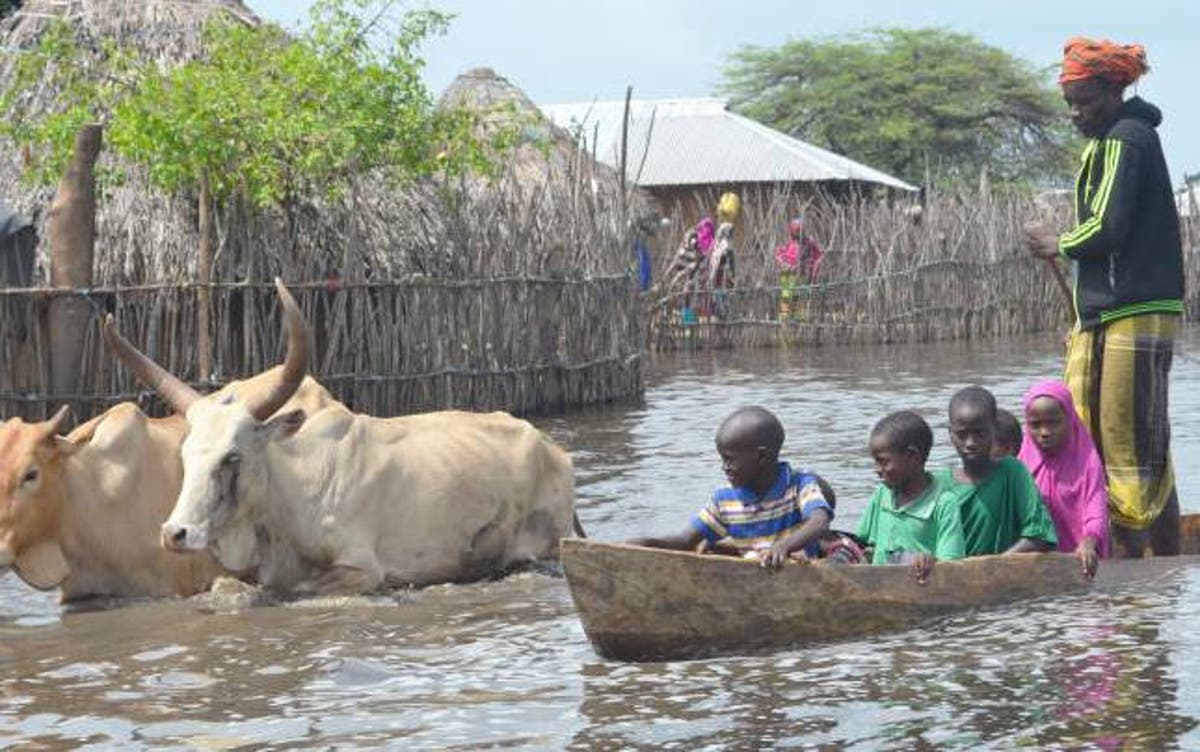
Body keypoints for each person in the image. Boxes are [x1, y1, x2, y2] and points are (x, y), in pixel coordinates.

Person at [1023, 38, 1184, 557]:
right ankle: (1165, 564)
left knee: (1118, 443)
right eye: (1070, 102)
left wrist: (1059, 242)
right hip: (1119, 310)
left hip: (1131, 309)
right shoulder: (1118, 136)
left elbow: (1109, 228)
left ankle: (1130, 565)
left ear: (1116, 91)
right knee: (1138, 440)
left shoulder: (1124, 140)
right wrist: (1082, 315)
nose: (1075, 113)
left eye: (1085, 101)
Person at [627, 406, 833, 569]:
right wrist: (646, 542)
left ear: (761, 456)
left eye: (729, 460)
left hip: (797, 574)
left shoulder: (799, 484)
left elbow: (819, 521)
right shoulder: (724, 499)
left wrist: (784, 546)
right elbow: (686, 540)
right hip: (751, 578)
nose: (724, 467)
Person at [944, 386, 1058, 557]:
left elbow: (1040, 535)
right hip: (955, 578)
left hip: (1006, 575)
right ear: (950, 433)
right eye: (962, 434)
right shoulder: (940, 485)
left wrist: (994, 566)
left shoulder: (1012, 473)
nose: (970, 443)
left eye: (980, 433)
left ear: (994, 430)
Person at [856, 410, 965, 582]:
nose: (877, 470)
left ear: (912, 456)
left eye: (883, 462)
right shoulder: (882, 493)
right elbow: (861, 543)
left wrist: (931, 560)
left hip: (920, 589)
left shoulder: (944, 503)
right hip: (881, 586)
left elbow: (953, 566)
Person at [1017, 380, 1109, 578]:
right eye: (1035, 425)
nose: (1044, 433)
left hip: (1081, 560)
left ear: (1070, 419)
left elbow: (1096, 508)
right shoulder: (1021, 463)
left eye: (1053, 422)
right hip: (1034, 563)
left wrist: (1089, 541)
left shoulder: (1087, 463)